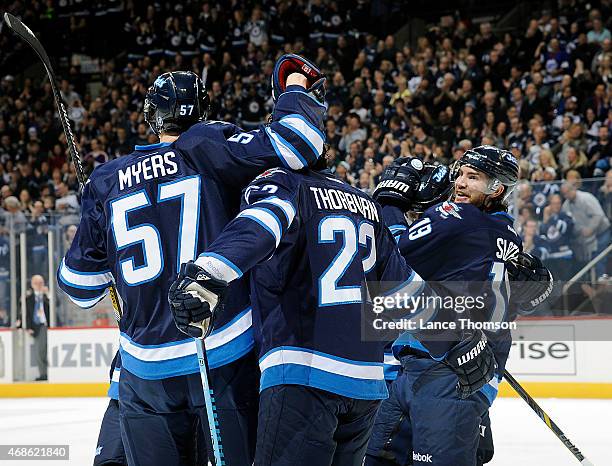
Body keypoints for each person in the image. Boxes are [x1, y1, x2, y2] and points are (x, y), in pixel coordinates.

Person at [57, 54, 327, 466]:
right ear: (202, 111)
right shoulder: (208, 143)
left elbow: (78, 286)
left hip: (144, 369)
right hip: (222, 352)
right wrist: (293, 86)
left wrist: (109, 261)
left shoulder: (106, 179)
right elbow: (300, 142)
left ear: (151, 115)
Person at [167, 159, 495, 465]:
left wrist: (208, 272)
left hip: (303, 373)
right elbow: (404, 289)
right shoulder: (364, 203)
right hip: (366, 388)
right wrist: (454, 341)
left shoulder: (281, 182)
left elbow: (260, 224)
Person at [365, 147, 553, 466]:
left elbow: (389, 259)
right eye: (461, 175)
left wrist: (391, 203)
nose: (461, 184)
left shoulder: (460, 219)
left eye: (473, 177)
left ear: (497, 189)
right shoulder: (507, 236)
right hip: (444, 370)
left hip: (445, 372)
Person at [25, 274, 50, 381]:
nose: (39, 285)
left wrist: (47, 295)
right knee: (40, 351)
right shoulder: (28, 298)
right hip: (36, 326)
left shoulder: (47, 296)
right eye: (36, 283)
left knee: (45, 350)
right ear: (32, 285)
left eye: (41, 283)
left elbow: (56, 305)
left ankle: (46, 373)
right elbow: (27, 314)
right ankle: (43, 373)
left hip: (47, 325)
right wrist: (28, 327)